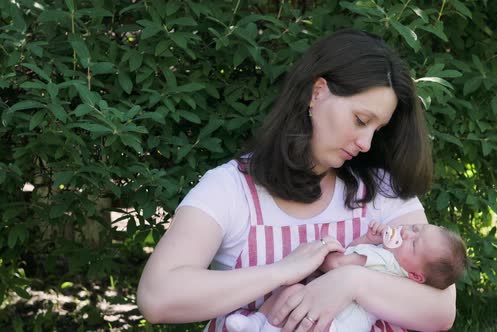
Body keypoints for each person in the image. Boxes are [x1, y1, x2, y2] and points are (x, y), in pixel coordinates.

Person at [137, 29, 457, 332]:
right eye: (360, 120)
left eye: (377, 129)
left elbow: (441, 310)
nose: (366, 144)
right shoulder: (230, 190)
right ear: (317, 93)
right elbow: (157, 297)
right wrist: (282, 271)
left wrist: (351, 282)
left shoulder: (381, 190)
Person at [224, 221, 468, 332]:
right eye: (415, 229)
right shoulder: (393, 267)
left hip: (335, 321)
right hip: (347, 323)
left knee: (291, 292)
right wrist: (367, 240)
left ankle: (258, 323)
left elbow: (339, 263)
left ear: (416, 275)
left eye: (414, 245)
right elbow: (356, 252)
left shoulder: (385, 260)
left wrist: (323, 250)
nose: (406, 234)